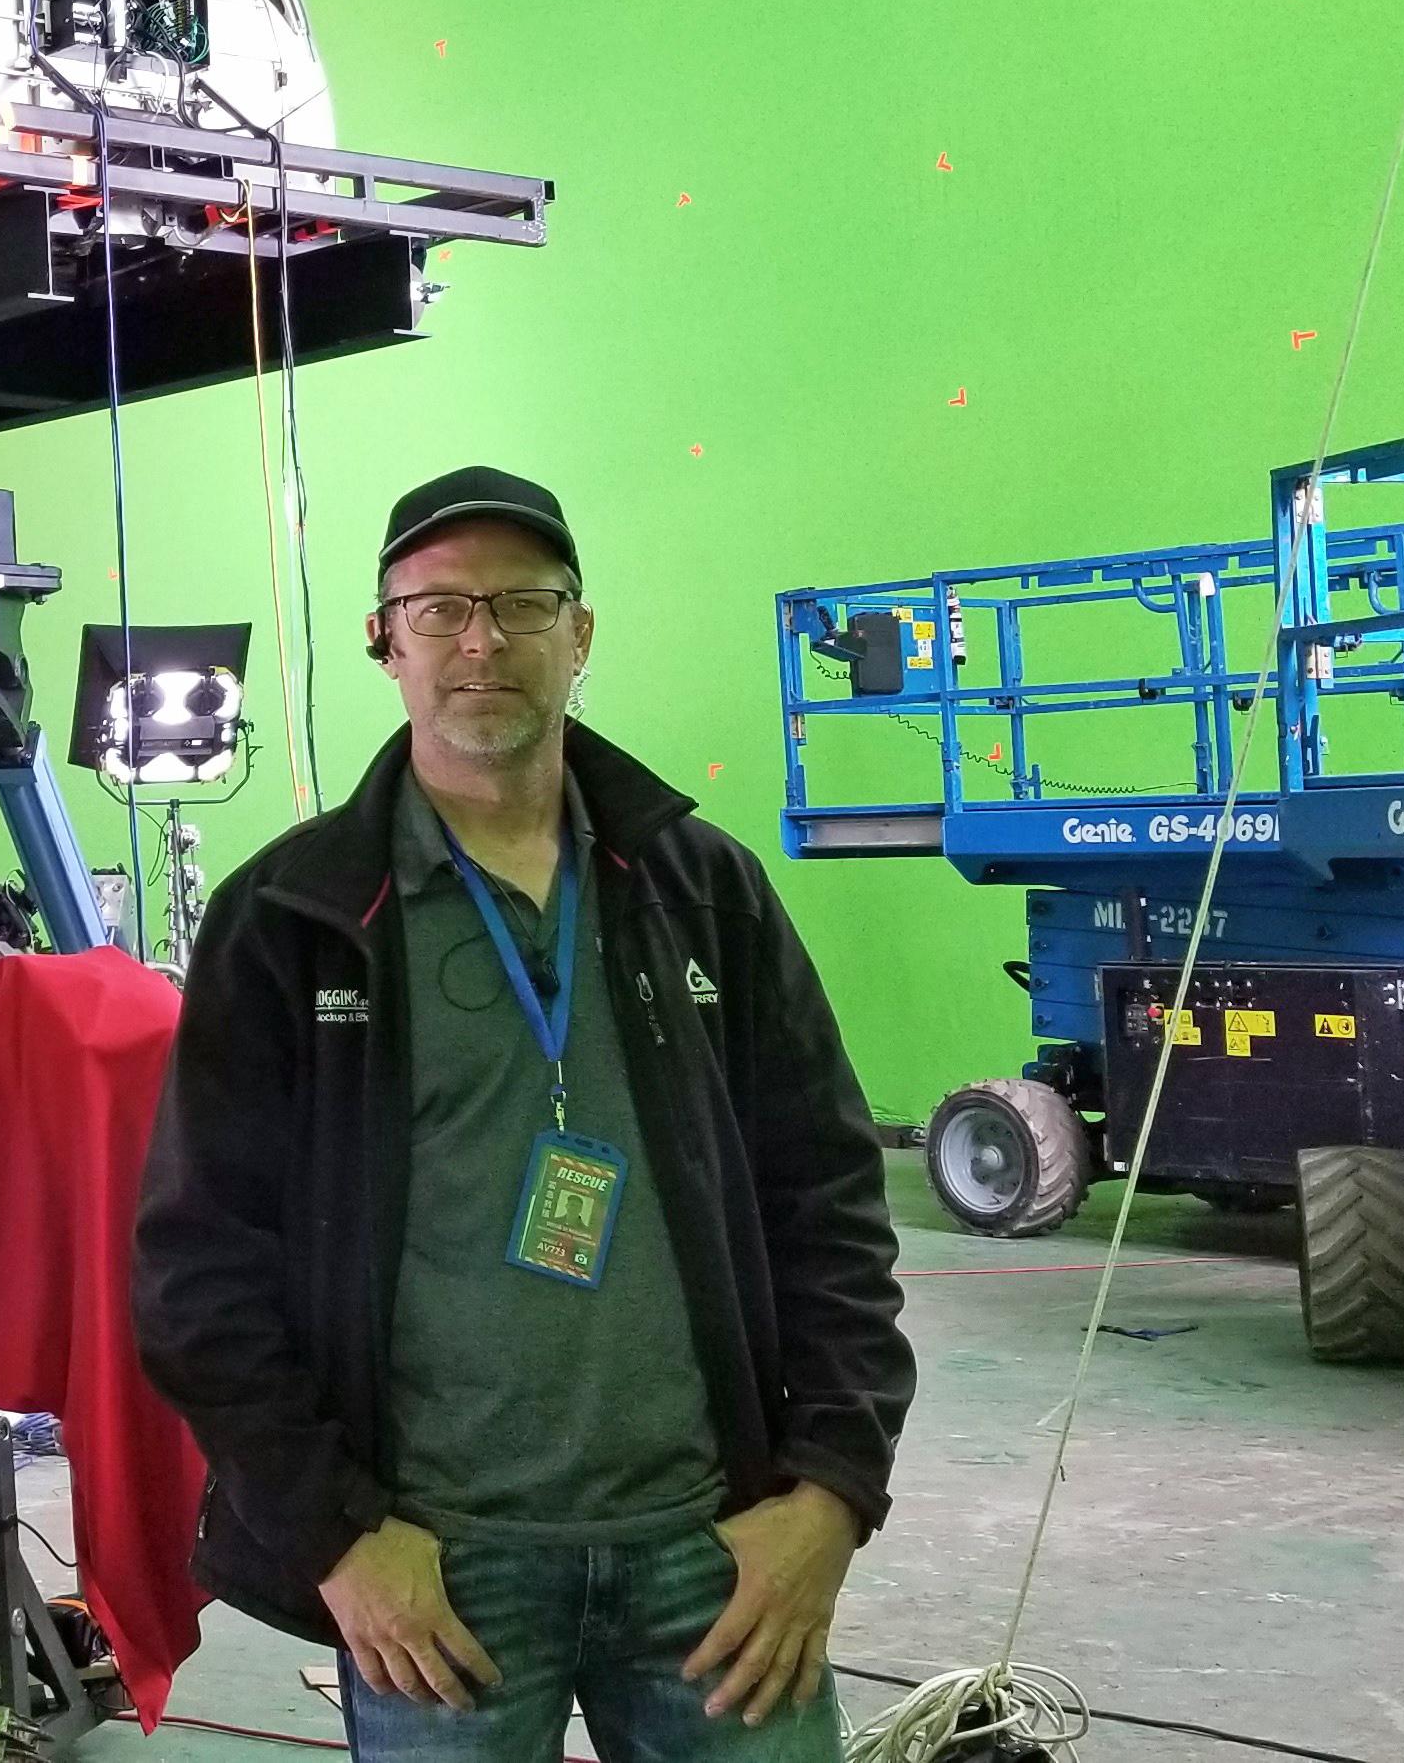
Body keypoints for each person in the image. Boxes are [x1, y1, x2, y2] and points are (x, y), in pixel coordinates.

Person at [132, 466, 913, 1763]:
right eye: (438, 610)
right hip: (439, 1579)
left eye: (520, 605)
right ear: (385, 640)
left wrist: (828, 1497)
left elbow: (827, 1200)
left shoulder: (701, 889)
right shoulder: (291, 921)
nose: (480, 641)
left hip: (714, 1562)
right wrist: (338, 1538)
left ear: (580, 634)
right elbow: (198, 1271)